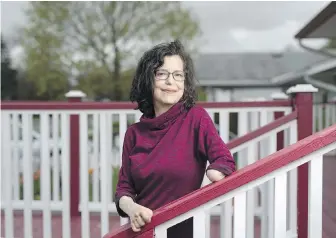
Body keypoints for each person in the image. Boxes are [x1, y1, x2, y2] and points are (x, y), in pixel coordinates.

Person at [115, 40, 236, 238]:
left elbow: (224, 160)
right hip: (144, 231)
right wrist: (132, 208)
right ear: (148, 79)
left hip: (183, 230)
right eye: (162, 74)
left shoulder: (196, 118)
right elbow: (124, 188)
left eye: (178, 75)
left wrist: (217, 172)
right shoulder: (134, 133)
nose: (171, 82)